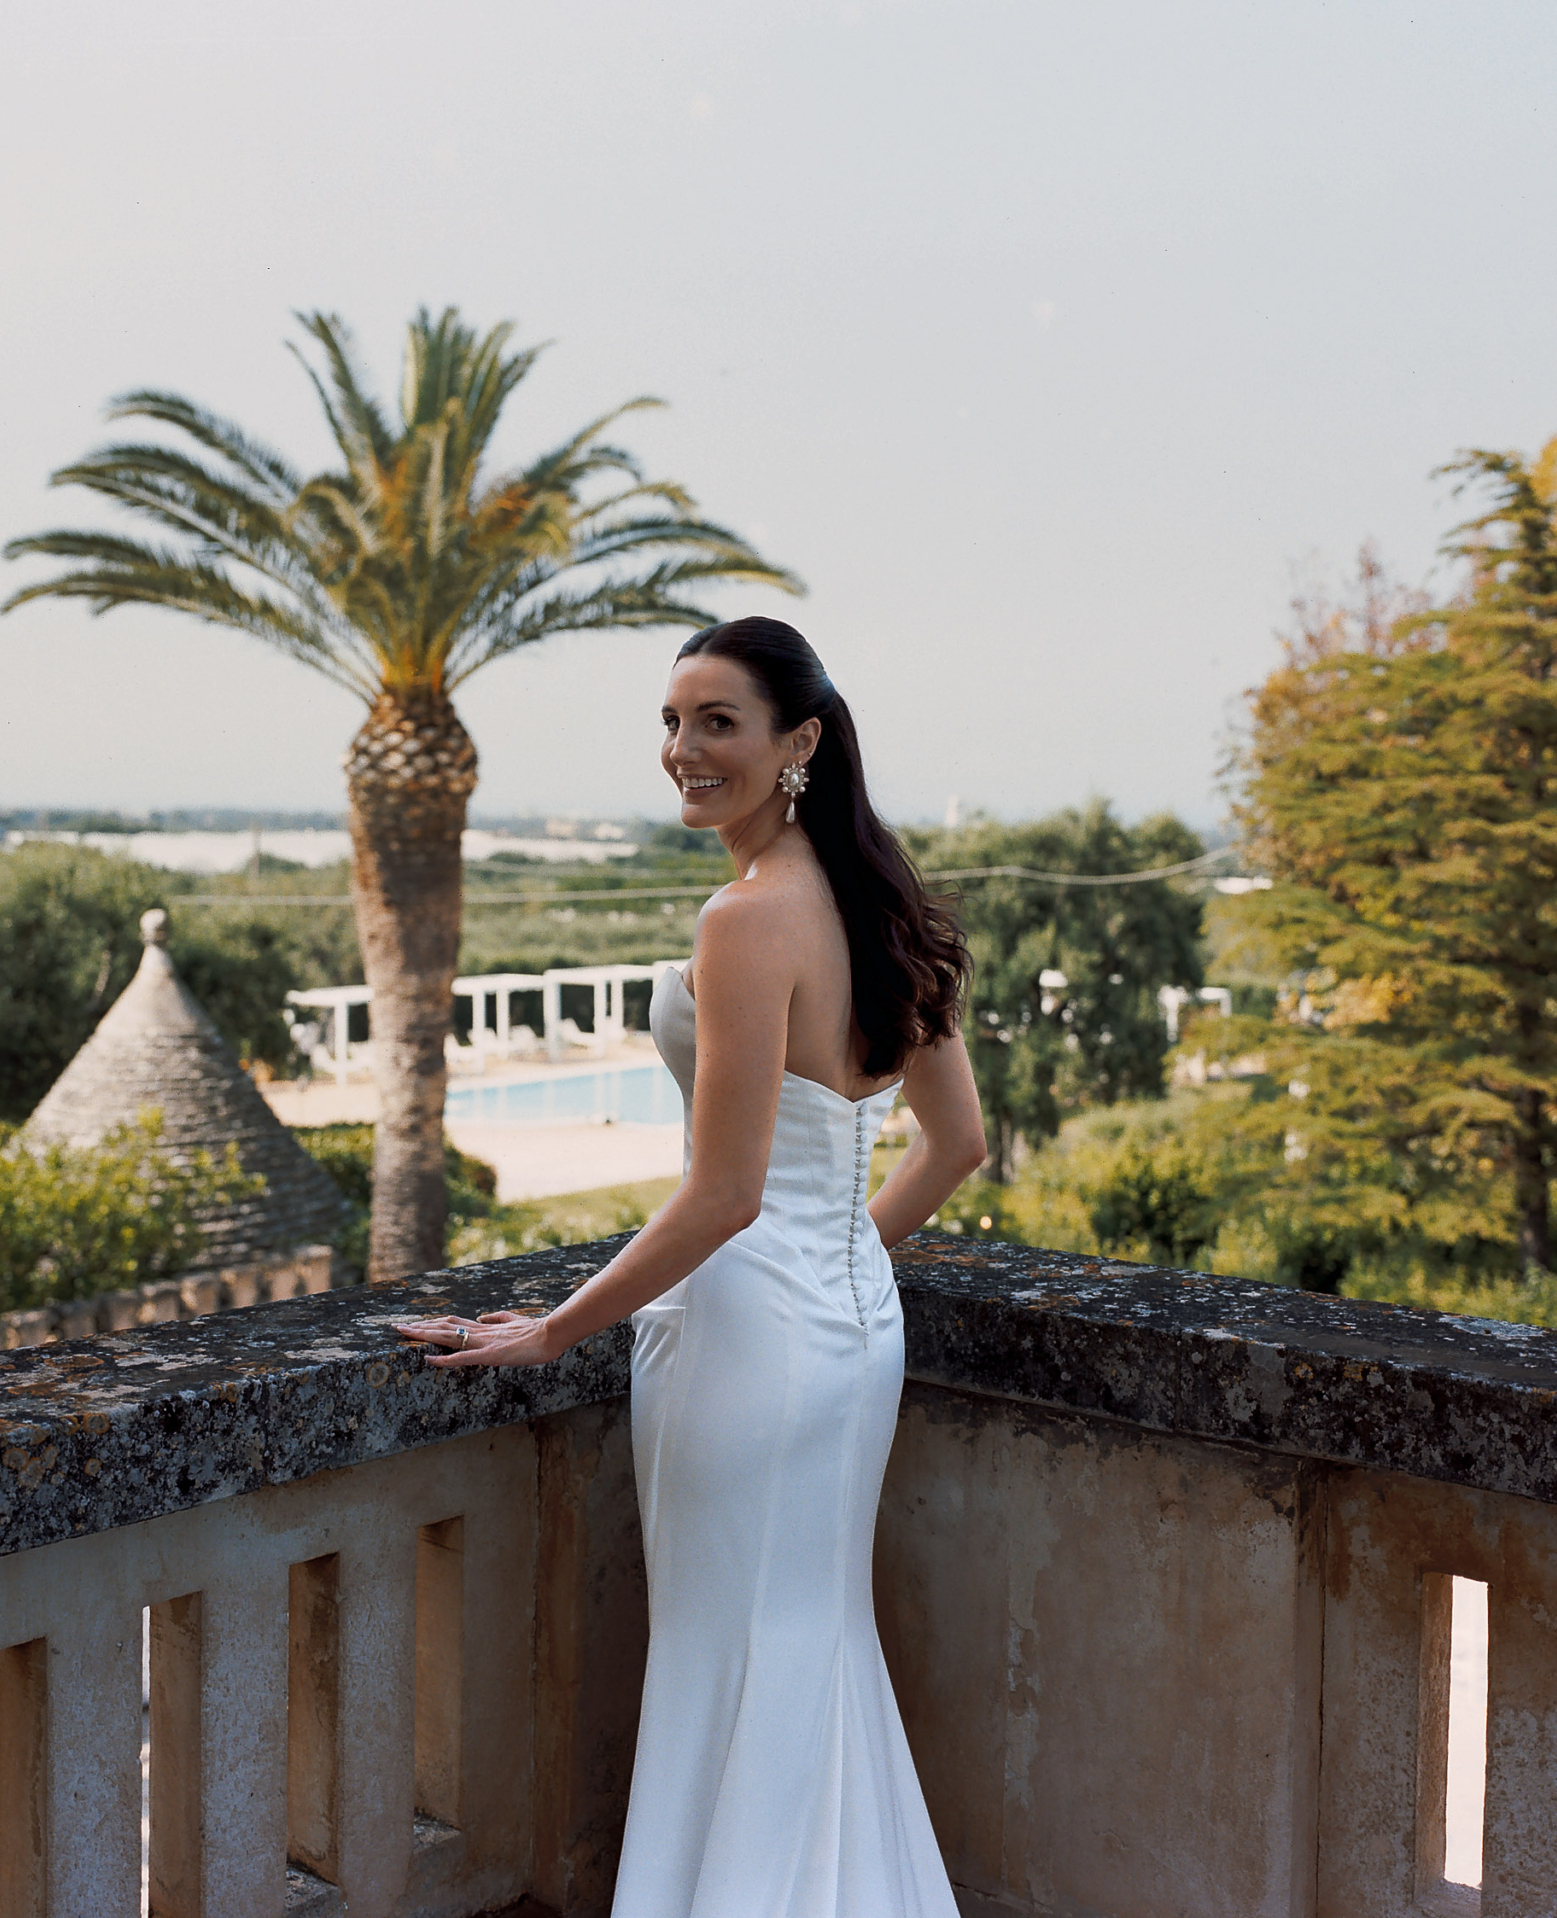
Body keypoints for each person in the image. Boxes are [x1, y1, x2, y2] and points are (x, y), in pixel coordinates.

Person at [394, 616, 988, 1915]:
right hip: (846, 1339)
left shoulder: (744, 919)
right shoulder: (889, 911)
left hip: (738, 1346)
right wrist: (833, 1268)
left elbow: (722, 1196)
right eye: (672, 721)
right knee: (808, 1642)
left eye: (716, 720)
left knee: (730, 1651)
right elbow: (958, 1144)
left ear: (799, 742)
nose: (682, 749)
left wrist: (553, 1328)